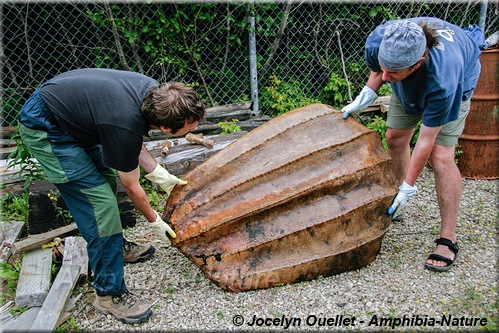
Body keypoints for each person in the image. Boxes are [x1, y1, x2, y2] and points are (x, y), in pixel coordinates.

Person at [19, 68, 206, 323]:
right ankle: (109, 294)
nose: (192, 129)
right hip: (47, 127)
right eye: (187, 128)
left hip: (75, 118)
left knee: (105, 177)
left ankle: (113, 248)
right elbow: (130, 184)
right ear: (164, 127)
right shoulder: (125, 119)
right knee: (100, 205)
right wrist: (154, 220)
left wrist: (157, 172)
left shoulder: (155, 94)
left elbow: (129, 140)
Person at [341, 18, 482, 272]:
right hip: (410, 75)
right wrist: (366, 95)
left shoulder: (444, 80)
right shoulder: (380, 40)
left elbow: (425, 140)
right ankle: (396, 206)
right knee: (395, 137)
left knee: (440, 157)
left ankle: (448, 238)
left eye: (391, 73)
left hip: (458, 77)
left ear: (417, 63)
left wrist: (409, 186)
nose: (385, 77)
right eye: (384, 67)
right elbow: (380, 72)